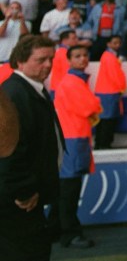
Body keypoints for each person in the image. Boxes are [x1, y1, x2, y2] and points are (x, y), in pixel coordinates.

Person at [0, 35, 63, 261]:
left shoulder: (29, 89)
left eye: (51, 59)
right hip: (18, 202)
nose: (48, 65)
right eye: (41, 59)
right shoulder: (15, 94)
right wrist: (24, 190)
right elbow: (9, 149)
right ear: (20, 62)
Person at [53, 45, 100, 249]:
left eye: (85, 55)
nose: (82, 59)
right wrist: (96, 104)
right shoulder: (72, 82)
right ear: (69, 60)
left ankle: (55, 229)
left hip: (74, 139)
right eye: (77, 56)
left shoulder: (75, 81)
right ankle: (70, 234)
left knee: (65, 191)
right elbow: (91, 107)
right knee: (69, 192)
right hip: (73, 140)